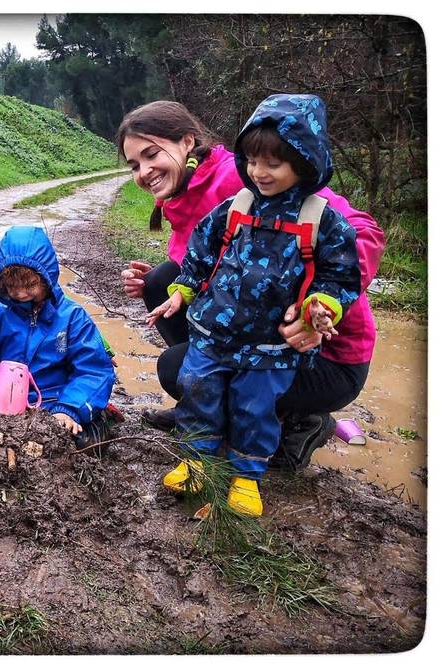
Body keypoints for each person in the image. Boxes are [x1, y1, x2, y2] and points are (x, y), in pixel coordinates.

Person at [116, 99, 385, 470]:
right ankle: (207, 407)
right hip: (251, 337)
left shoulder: (245, 177)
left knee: (174, 368)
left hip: (323, 356)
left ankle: (301, 420)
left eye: (151, 155)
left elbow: (364, 232)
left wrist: (317, 306)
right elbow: (216, 275)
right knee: (162, 281)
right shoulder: (185, 203)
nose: (144, 172)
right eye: (134, 165)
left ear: (188, 142)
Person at [0, 226, 115, 443]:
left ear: (47, 278)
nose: (19, 293)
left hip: (54, 405)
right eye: (11, 286)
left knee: (81, 439)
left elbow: (93, 370)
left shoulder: (73, 317)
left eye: (29, 285)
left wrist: (69, 409)